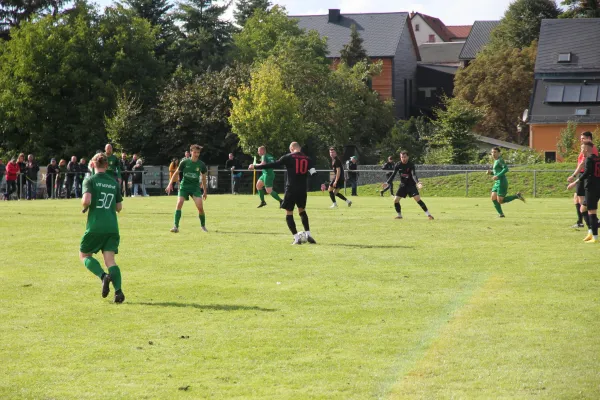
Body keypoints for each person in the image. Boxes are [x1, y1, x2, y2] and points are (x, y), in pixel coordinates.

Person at [79, 152, 125, 303]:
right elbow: (119, 207)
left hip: (96, 225)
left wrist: (85, 206)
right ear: (107, 165)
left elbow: (86, 200)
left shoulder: (90, 180)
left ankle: (103, 276)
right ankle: (118, 292)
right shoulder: (114, 182)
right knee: (110, 260)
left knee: (85, 255)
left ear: (93, 164)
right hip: (112, 226)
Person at [250, 142, 317, 245]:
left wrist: (255, 167)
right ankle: (308, 234)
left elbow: (274, 164)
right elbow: (313, 173)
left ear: (292, 148)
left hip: (291, 189)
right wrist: (321, 184)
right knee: (302, 211)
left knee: (289, 212)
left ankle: (296, 238)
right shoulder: (308, 159)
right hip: (302, 189)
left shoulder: (288, 157)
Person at [165, 144, 208, 233]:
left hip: (195, 188)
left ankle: (203, 226)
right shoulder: (184, 162)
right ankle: (175, 227)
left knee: (200, 207)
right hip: (184, 186)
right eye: (195, 152)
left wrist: (205, 191)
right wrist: (170, 184)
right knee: (179, 203)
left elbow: (203, 178)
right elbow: (176, 173)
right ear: (191, 152)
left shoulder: (201, 164)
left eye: (198, 152)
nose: (196, 154)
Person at [383, 150, 434, 220]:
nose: (403, 158)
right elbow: (393, 174)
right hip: (403, 185)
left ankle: (428, 215)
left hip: (411, 185)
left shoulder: (411, 164)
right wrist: (387, 182)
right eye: (401, 157)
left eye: (404, 157)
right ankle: (399, 215)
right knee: (396, 200)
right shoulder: (398, 165)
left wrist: (418, 183)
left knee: (417, 199)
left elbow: (414, 175)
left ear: (408, 157)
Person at [568, 142, 600, 242]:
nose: (581, 151)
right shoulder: (598, 158)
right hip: (596, 187)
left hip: (591, 188)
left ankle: (595, 237)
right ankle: (590, 232)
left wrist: (574, 183)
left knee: (592, 212)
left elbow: (586, 174)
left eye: (582, 149)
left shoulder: (589, 159)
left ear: (586, 149)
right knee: (583, 209)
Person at [487, 147, 525, 218]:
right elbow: (497, 172)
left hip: (502, 182)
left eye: (495, 152)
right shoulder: (496, 161)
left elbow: (506, 168)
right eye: (492, 152)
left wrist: (497, 175)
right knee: (493, 198)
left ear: (499, 153)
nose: (493, 154)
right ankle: (501, 214)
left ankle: (516, 196)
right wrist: (491, 173)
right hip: (497, 182)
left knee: (500, 201)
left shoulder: (500, 160)